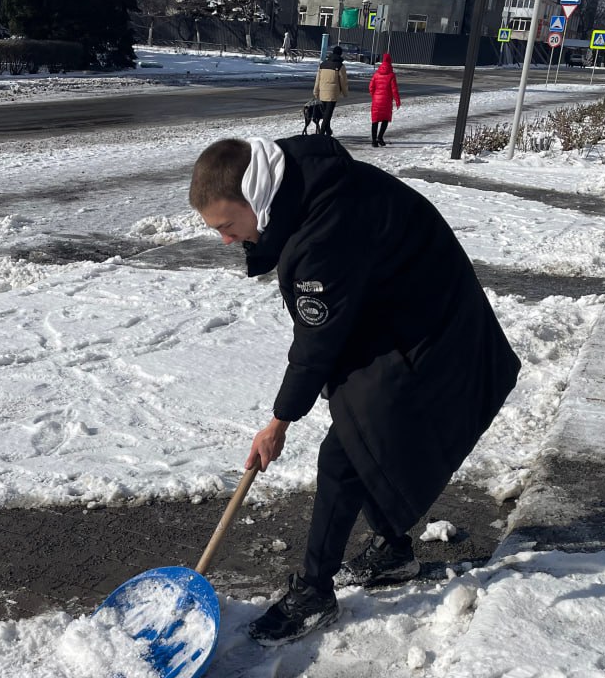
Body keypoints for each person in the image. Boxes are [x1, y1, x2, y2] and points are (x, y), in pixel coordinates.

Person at [187, 136, 521, 645]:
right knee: (366, 436)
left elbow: (316, 342)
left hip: (431, 328)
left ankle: (314, 593)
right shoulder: (298, 183)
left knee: (344, 453)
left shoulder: (324, 232)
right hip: (398, 311)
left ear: (254, 197)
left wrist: (279, 422)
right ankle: (393, 550)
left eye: (227, 226)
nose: (227, 241)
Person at [312, 46, 349, 137]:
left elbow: (317, 80)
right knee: (327, 115)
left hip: (322, 93)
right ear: (340, 54)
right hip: (332, 94)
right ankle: (321, 135)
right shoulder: (340, 66)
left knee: (325, 113)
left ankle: (328, 131)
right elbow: (343, 81)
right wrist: (345, 93)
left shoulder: (323, 64)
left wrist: (316, 91)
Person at [368, 53, 401, 147]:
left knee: (375, 120)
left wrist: (374, 96)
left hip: (376, 100)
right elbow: (394, 90)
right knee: (385, 119)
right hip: (386, 101)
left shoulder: (376, 74)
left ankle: (374, 141)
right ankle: (380, 137)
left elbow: (371, 87)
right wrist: (397, 101)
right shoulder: (391, 75)